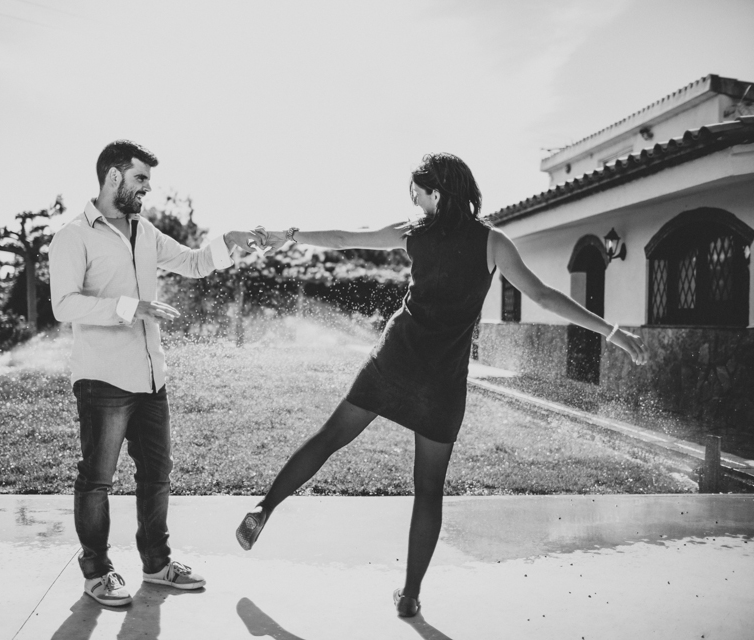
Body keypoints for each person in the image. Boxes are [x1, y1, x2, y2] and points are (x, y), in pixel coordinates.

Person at [236, 152, 648, 617]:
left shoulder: (415, 233)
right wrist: (611, 331)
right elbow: (543, 296)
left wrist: (288, 235)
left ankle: (265, 508)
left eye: (417, 193)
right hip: (442, 381)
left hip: (393, 361)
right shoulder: (493, 243)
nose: (414, 202)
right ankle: (410, 596)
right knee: (429, 489)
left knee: (330, 437)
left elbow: (347, 238)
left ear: (436, 192)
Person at [49, 140, 259, 607]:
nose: (147, 188)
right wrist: (132, 307)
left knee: (156, 475)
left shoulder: (144, 232)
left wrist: (230, 241)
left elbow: (194, 263)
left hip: (151, 378)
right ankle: (97, 572)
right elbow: (63, 304)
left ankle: (157, 564)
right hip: (102, 378)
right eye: (140, 178)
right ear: (114, 176)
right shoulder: (73, 236)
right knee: (97, 479)